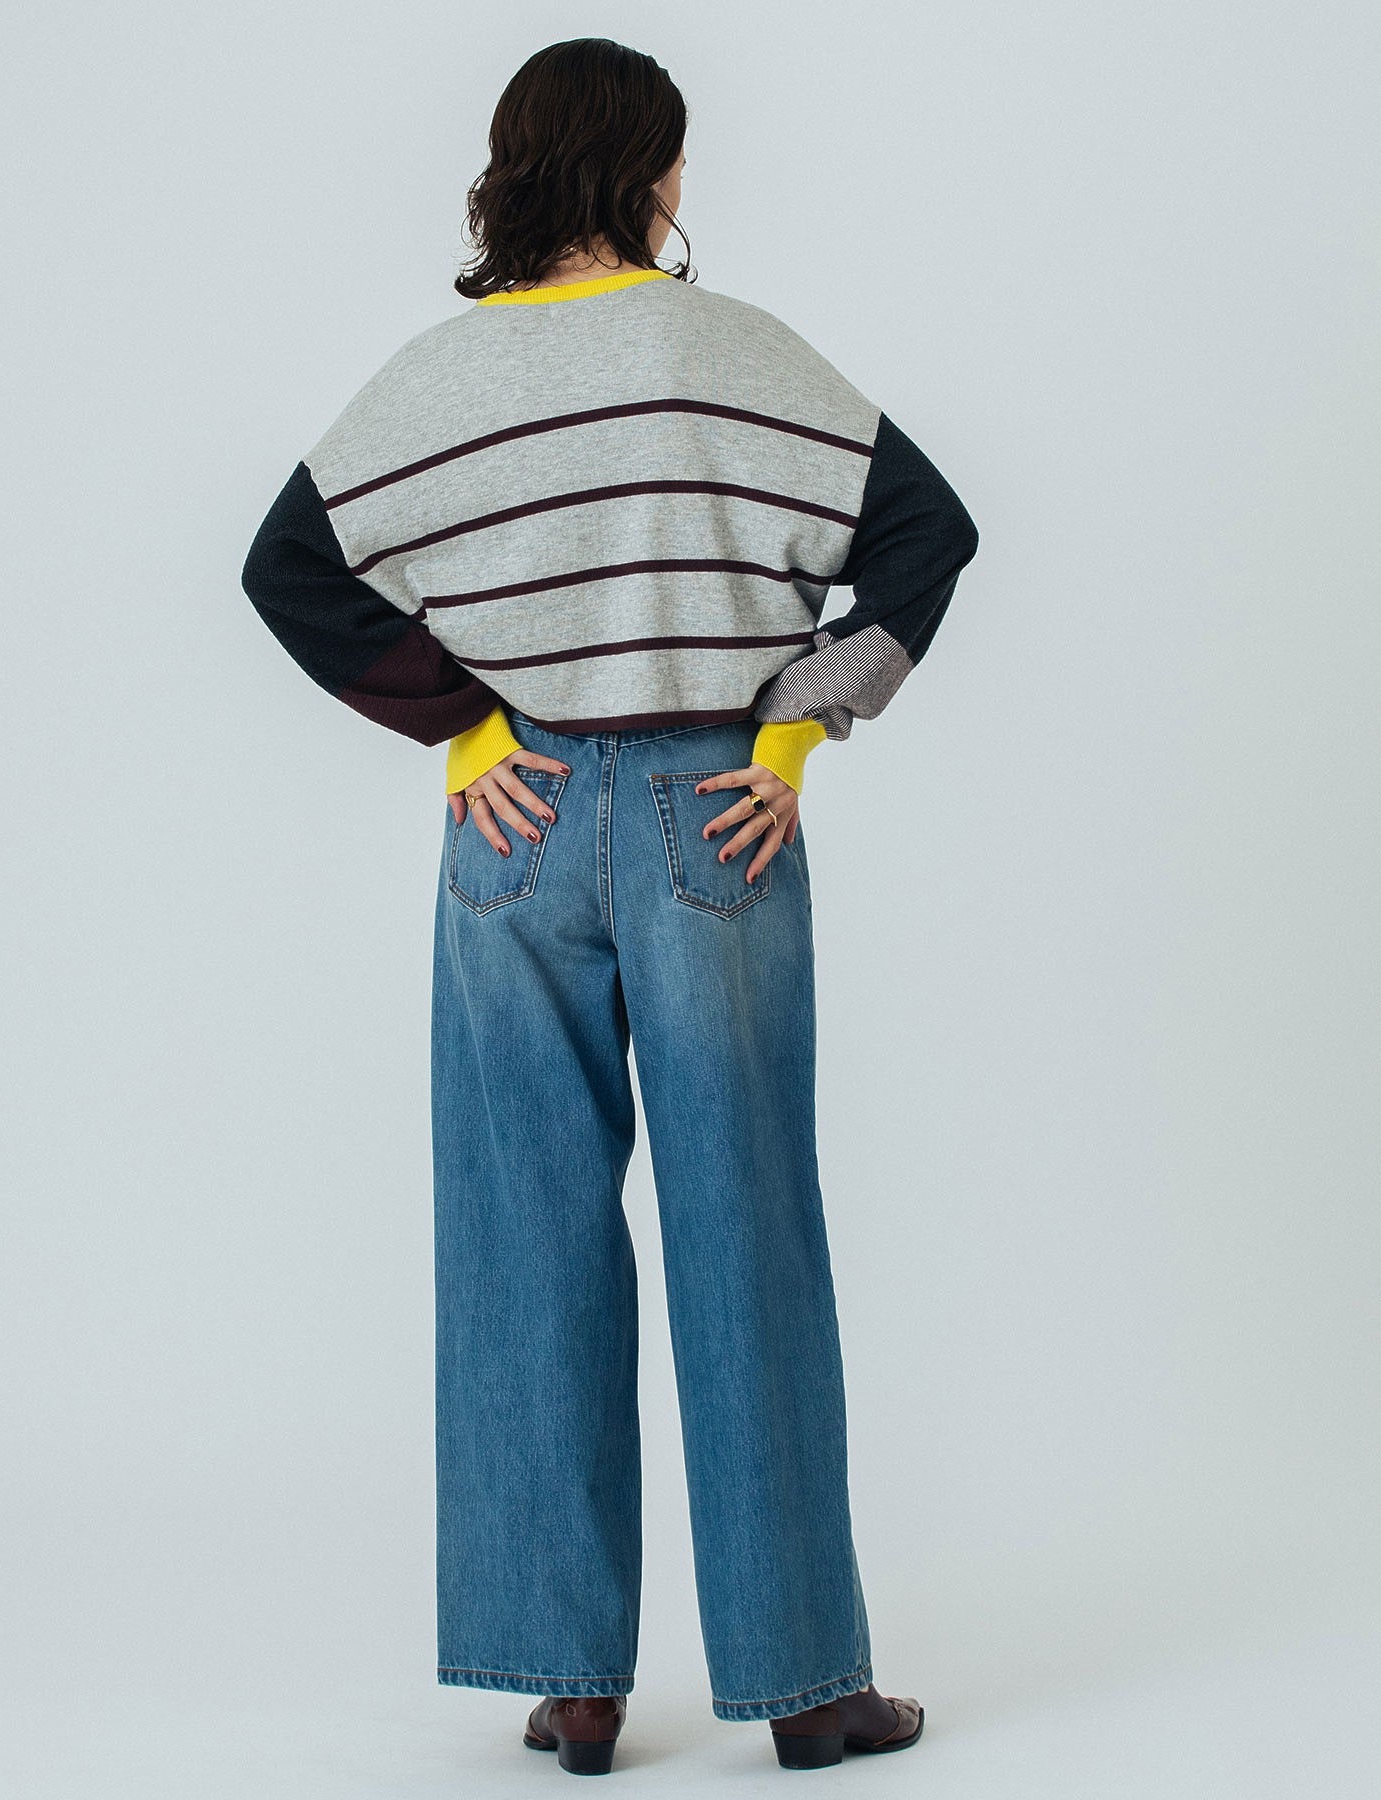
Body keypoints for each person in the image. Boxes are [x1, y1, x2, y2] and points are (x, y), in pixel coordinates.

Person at [240, 36, 978, 1777]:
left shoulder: (433, 380)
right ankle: (809, 1690)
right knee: (749, 1234)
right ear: (653, 171)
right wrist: (792, 730)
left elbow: (286, 568)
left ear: (515, 171)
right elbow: (926, 534)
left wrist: (467, 727)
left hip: (516, 829)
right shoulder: (738, 353)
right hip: (714, 820)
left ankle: (569, 1684)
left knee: (522, 1236)